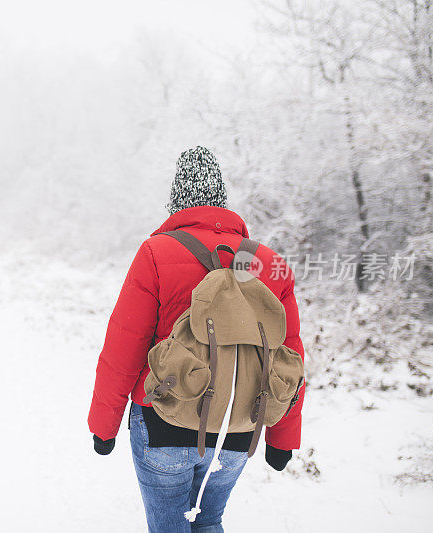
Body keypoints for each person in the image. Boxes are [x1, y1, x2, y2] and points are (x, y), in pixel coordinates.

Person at [87, 146, 306, 532]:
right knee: (208, 522)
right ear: (222, 199)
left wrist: (104, 426)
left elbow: (124, 347)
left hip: (163, 420)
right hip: (237, 427)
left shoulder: (156, 252)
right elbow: (289, 356)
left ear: (176, 200)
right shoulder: (267, 262)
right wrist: (282, 437)